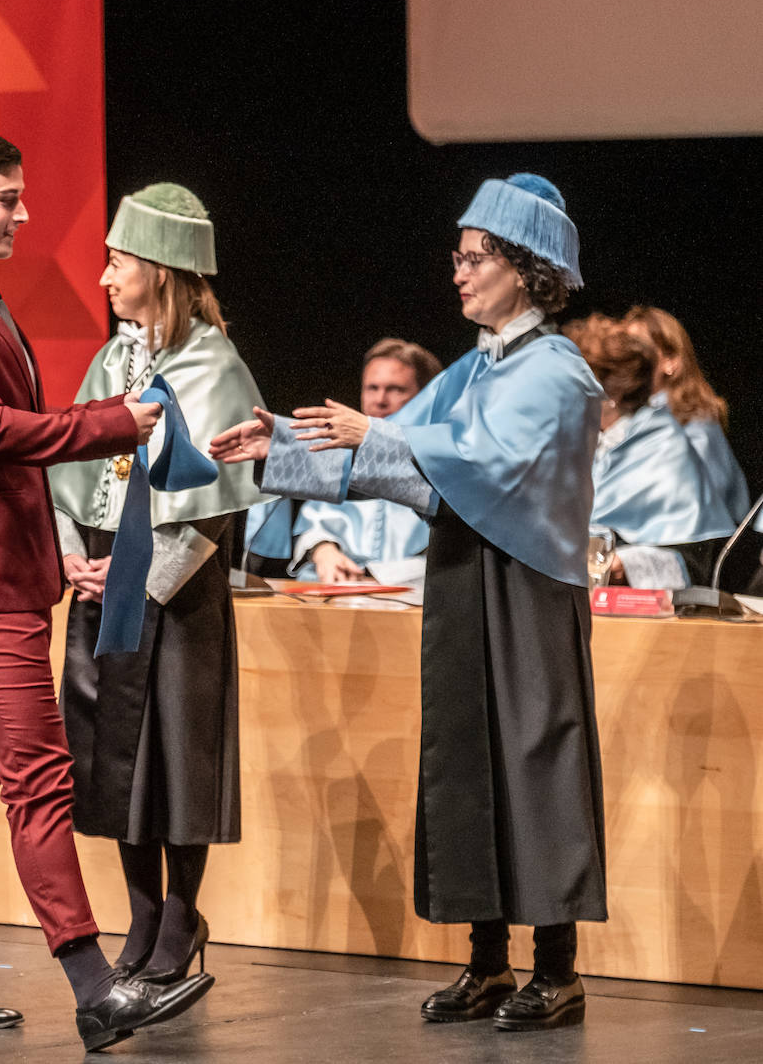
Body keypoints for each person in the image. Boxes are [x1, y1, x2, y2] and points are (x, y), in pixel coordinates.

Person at [212, 173, 606, 1032]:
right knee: (465, 756)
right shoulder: (471, 370)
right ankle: (488, 960)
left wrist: (381, 431)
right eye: (457, 258)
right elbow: (391, 460)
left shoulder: (557, 373)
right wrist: (276, 444)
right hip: (465, 576)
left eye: (475, 259)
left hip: (529, 587)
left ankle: (559, 969)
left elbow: (487, 462)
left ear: (526, 268)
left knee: (534, 762)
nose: (458, 273)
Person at [0, 129, 212, 1052]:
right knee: (41, 782)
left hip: (0, 579)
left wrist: (47, 551)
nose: (24, 215)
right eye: (7, 199)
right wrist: (117, 421)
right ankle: (97, 987)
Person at [48, 183, 266, 986]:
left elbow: (212, 511)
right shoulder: (112, 358)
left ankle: (182, 912)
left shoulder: (214, 365)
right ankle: (140, 912)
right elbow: (72, 462)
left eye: (117, 260)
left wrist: (143, 581)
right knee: (115, 753)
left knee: (175, 756)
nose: (104, 275)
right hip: (105, 579)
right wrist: (73, 551)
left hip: (170, 590)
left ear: (163, 271)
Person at [570, 317, 734, 587]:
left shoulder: (664, 444)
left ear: (612, 391)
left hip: (635, 612)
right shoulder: (582, 443)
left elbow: (692, 559)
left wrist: (626, 562)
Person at [288, 338, 440, 581]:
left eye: (396, 389)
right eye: (372, 388)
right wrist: (324, 551)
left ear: (426, 396)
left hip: (419, 595)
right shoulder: (340, 455)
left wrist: (376, 575)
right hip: (339, 593)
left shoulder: (442, 459)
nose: (380, 400)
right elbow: (314, 523)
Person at [622, 305, 749, 523]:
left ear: (670, 361)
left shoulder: (696, 422)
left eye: (636, 350)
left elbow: (698, 505)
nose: (625, 359)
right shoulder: (629, 417)